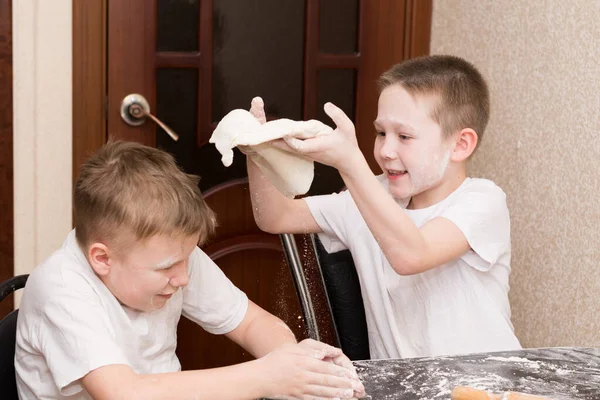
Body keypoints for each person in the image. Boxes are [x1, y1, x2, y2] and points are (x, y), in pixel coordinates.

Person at [15, 140, 365, 400]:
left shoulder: (170, 254)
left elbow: (252, 323)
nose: (183, 279)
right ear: (102, 259)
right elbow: (123, 394)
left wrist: (294, 362)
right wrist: (267, 377)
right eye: (168, 268)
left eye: (187, 258)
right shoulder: (61, 289)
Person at [246, 55, 522, 359]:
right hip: (401, 388)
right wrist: (258, 149)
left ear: (460, 145)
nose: (386, 150)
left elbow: (412, 255)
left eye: (404, 136)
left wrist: (350, 164)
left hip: (486, 386)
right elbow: (275, 216)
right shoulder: (367, 198)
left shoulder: (482, 201)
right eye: (381, 133)